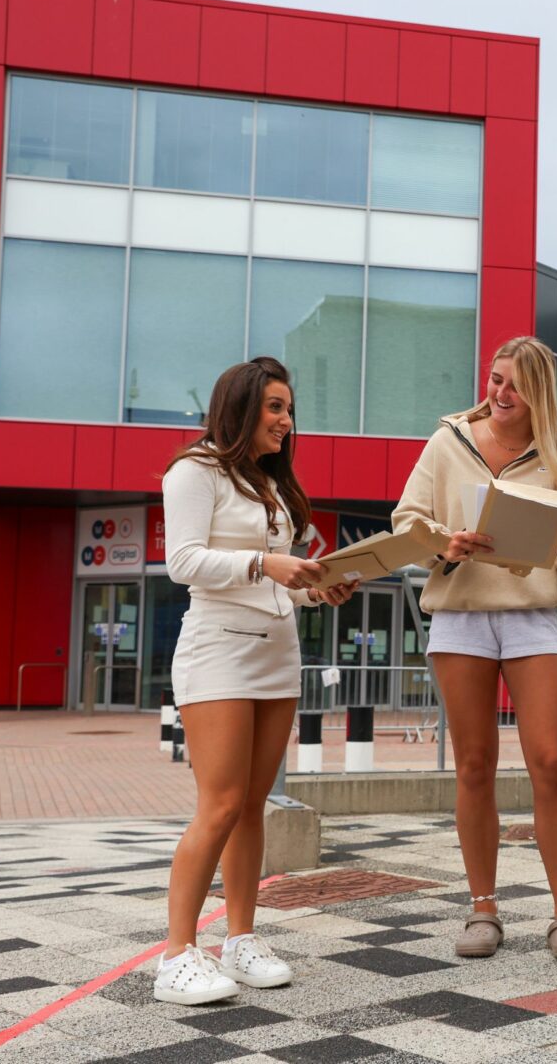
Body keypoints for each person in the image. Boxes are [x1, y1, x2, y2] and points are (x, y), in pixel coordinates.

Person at [391, 336, 557, 962]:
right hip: (460, 615)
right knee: (474, 765)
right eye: (494, 379)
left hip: (533, 614)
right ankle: (483, 909)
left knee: (551, 761)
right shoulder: (447, 442)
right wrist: (443, 543)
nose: (498, 393)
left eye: (512, 384)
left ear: (538, 392)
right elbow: (407, 521)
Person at [156, 357, 358, 1006]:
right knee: (218, 804)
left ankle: (239, 938)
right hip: (217, 653)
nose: (286, 420)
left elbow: (278, 585)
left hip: (277, 656)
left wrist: (317, 586)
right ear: (241, 407)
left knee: (252, 806)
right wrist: (267, 560)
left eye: (290, 409)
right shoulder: (195, 470)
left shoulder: (273, 487)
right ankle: (177, 955)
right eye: (275, 407)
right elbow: (183, 562)